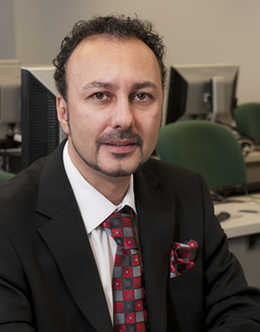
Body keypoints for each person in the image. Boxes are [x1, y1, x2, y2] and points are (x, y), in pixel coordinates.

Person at [0, 14, 259, 332]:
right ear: (64, 113)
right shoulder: (8, 220)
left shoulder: (187, 191)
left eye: (141, 96)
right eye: (100, 96)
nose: (124, 118)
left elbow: (238, 310)